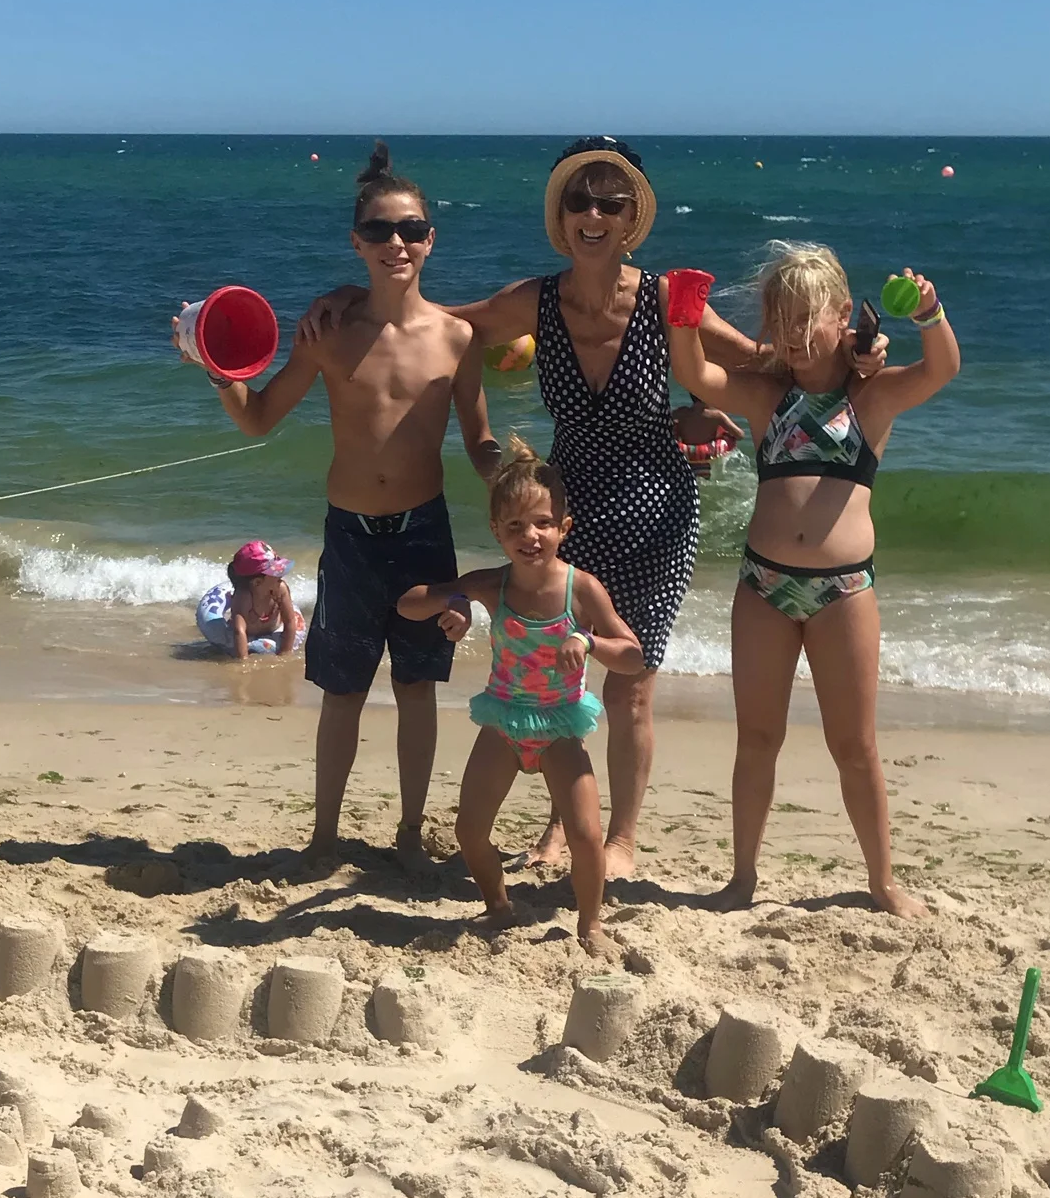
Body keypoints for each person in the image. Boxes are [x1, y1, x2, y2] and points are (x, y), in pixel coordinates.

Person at [302, 137, 767, 879]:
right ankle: (559, 826)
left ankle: (620, 838)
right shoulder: (534, 301)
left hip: (654, 509)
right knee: (560, 678)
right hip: (564, 511)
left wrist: (713, 408)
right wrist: (350, 299)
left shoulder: (662, 298)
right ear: (562, 215)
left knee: (633, 683)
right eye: (579, 201)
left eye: (610, 204)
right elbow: (431, 320)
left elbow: (751, 362)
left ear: (629, 220)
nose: (593, 214)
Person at [199, 142, 499, 861]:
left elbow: (479, 440)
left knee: (420, 685)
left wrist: (516, 479)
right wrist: (216, 366)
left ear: (431, 239)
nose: (394, 243)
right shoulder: (329, 333)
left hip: (424, 533)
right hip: (352, 537)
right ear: (355, 242)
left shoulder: (458, 338)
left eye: (409, 230)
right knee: (342, 692)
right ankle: (325, 836)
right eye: (377, 231)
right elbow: (260, 416)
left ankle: (407, 834)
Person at [668, 244, 960, 918]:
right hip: (763, 588)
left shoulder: (870, 398)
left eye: (805, 317)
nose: (791, 335)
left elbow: (942, 367)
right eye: (779, 318)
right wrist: (684, 305)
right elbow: (694, 370)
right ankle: (741, 878)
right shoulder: (765, 396)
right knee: (756, 738)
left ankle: (882, 881)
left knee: (854, 746)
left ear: (838, 314)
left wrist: (928, 311)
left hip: (842, 594)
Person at [399, 440, 643, 955]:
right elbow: (408, 605)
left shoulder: (583, 590)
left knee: (584, 835)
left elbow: (633, 655)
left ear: (563, 527)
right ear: (496, 532)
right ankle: (499, 907)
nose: (530, 536)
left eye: (542, 524)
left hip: (558, 728)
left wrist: (589, 640)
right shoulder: (493, 584)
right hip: (503, 723)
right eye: (515, 527)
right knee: (469, 831)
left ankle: (590, 925)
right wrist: (460, 601)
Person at [195, 540, 304, 658]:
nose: (281, 574)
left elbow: (290, 622)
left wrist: (285, 653)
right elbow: (239, 631)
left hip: (274, 630)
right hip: (246, 634)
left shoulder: (280, 589)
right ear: (257, 582)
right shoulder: (243, 596)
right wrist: (243, 663)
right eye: (275, 572)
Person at [672, 401, 747, 479]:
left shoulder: (680, 413)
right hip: (707, 463)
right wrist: (726, 435)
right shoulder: (716, 416)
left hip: (684, 461)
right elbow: (740, 435)